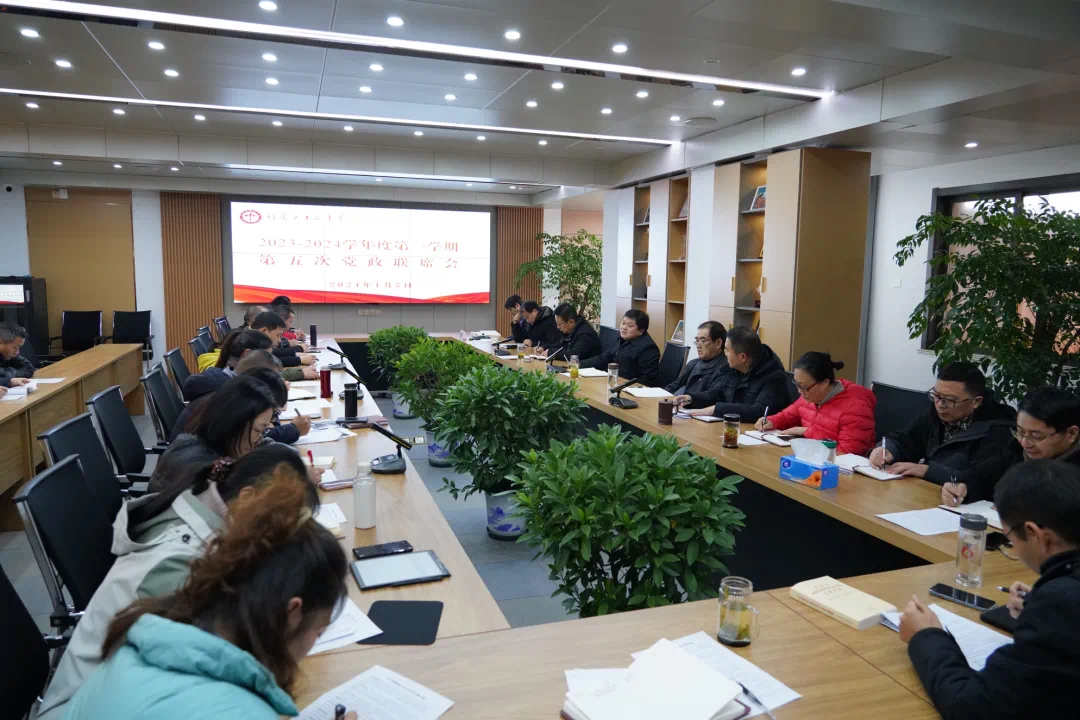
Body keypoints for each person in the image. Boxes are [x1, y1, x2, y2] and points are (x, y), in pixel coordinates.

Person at [36, 445, 320, 720]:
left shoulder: (198, 504)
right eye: (280, 526)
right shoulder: (179, 566)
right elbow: (202, 671)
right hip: (86, 706)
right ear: (247, 498)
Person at [900, 459, 1080, 718]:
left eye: (1010, 541)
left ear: (1036, 534)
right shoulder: (1063, 595)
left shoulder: (1060, 606)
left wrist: (925, 636)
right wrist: (1040, 603)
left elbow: (973, 707)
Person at [870, 362, 1015, 500]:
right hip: (924, 494)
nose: (940, 405)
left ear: (976, 402)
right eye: (936, 396)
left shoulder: (997, 431)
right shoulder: (934, 414)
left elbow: (979, 480)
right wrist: (887, 449)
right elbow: (906, 438)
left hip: (960, 506)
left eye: (949, 400)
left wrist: (926, 471)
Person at [943, 386, 1080, 506]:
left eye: (1036, 436)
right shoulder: (1016, 451)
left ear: (1071, 434)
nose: (1024, 443)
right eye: (1020, 432)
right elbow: (981, 475)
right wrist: (962, 487)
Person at [149, 375, 278, 493]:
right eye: (258, 430)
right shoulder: (205, 472)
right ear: (233, 423)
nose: (259, 439)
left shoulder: (202, 443)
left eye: (263, 431)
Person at [757, 351, 876, 455]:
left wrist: (807, 432)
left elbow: (847, 453)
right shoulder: (809, 396)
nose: (800, 391)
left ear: (825, 383)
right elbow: (789, 415)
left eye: (804, 387)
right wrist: (772, 421)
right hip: (812, 457)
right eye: (797, 385)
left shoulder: (856, 408)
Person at [172, 357, 310, 445]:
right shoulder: (227, 413)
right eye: (274, 413)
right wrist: (293, 430)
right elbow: (252, 445)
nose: (272, 421)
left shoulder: (227, 396)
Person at [690, 326, 791, 421]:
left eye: (727, 350)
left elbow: (758, 411)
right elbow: (718, 393)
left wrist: (716, 409)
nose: (725, 354)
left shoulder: (774, 377)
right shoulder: (733, 368)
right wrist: (691, 398)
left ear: (742, 357)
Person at [183, 329, 273, 400]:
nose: (269, 362)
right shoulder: (227, 387)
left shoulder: (230, 376)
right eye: (267, 357)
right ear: (247, 354)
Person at [581, 310, 661, 387]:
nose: (624, 328)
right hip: (614, 383)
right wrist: (578, 364)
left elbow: (647, 381)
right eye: (623, 323)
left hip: (629, 389)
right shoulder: (622, 339)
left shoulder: (648, 348)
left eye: (629, 326)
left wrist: (623, 387)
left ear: (641, 331)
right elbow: (603, 359)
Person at [667, 321, 730, 410]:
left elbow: (713, 396)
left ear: (718, 343)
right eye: (697, 341)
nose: (698, 345)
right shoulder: (693, 363)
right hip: (682, 409)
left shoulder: (725, 367)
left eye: (703, 341)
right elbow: (675, 385)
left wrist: (690, 399)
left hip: (700, 412)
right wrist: (660, 395)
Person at [535, 303, 601, 363]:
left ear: (571, 322)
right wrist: (544, 347)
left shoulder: (586, 334)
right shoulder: (571, 330)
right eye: (556, 323)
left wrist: (550, 353)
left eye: (560, 324)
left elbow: (574, 355)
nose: (558, 327)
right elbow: (561, 346)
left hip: (586, 370)